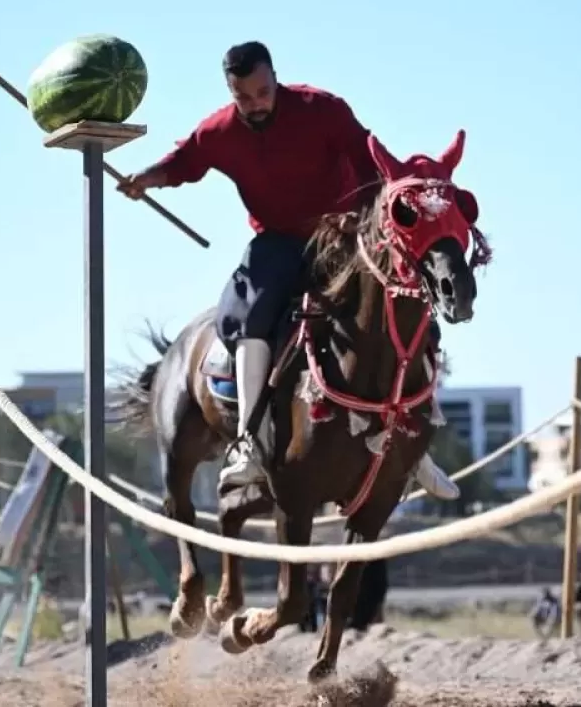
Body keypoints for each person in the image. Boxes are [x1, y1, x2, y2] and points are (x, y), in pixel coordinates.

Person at [117, 41, 458, 499]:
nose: (255, 105)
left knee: (406, 309)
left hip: (344, 237)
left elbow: (372, 161)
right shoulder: (220, 131)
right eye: (244, 97)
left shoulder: (323, 109)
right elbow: (184, 162)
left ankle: (416, 452)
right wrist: (145, 179)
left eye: (262, 92)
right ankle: (246, 446)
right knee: (247, 316)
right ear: (230, 92)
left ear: (275, 78)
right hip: (277, 242)